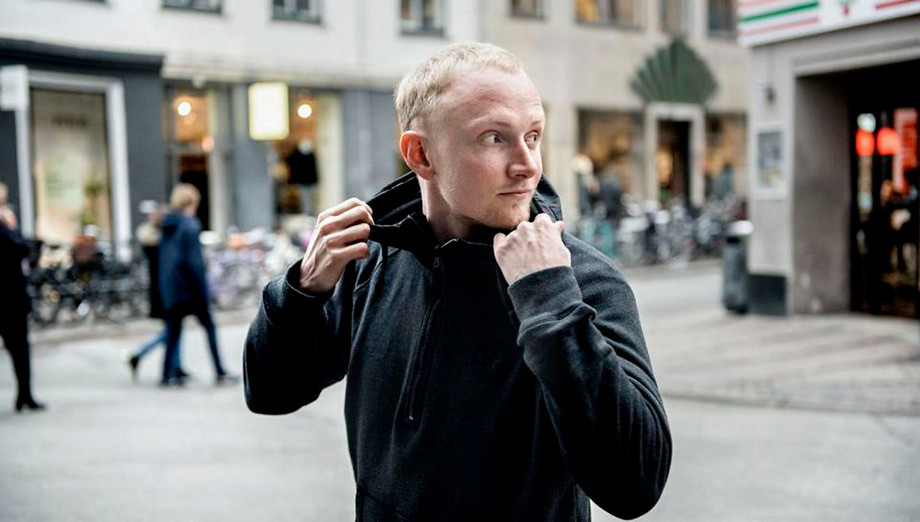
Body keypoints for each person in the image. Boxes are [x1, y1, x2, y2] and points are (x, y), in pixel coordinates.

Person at [244, 43, 671, 520]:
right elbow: (270, 392)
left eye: (533, 135)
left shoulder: (578, 277)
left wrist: (550, 301)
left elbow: (635, 486)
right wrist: (303, 289)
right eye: (494, 138)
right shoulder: (371, 260)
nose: (528, 164)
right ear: (421, 154)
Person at [159, 184, 237, 386]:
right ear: (192, 202)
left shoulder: (168, 225)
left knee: (173, 332)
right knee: (209, 328)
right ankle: (220, 372)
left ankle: (166, 375)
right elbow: (194, 263)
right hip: (191, 290)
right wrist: (203, 291)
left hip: (172, 289)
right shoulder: (190, 225)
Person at [0, 182, 45, 412]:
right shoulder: (4, 231)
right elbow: (20, 250)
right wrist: (13, 227)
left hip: (12, 298)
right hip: (9, 299)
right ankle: (24, 396)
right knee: (19, 349)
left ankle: (24, 396)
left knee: (20, 350)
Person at [127, 202, 184, 381]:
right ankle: (140, 354)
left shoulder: (157, 237)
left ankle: (176, 365)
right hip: (162, 290)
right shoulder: (156, 239)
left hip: (161, 289)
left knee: (174, 329)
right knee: (172, 330)